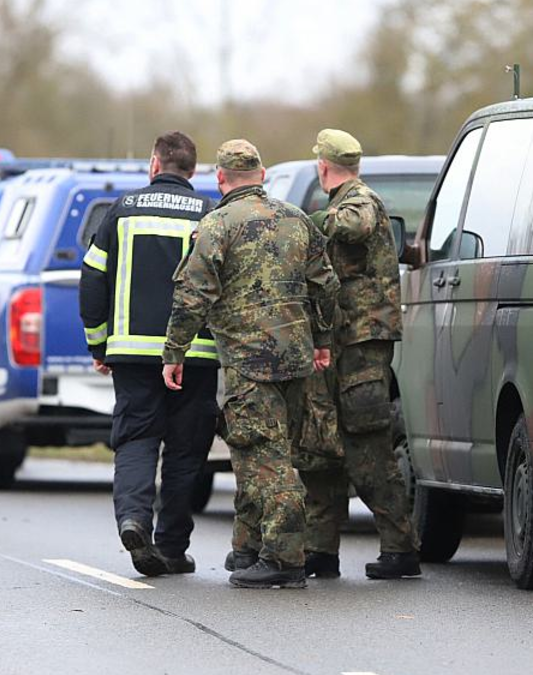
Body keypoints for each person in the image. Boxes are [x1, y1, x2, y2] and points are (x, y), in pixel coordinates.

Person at [162, 139, 339, 589]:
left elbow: (192, 295)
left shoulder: (217, 225)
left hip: (248, 360)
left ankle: (284, 557)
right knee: (258, 450)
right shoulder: (296, 219)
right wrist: (322, 341)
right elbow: (326, 286)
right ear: (261, 175)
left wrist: (175, 352)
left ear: (220, 178)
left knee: (263, 456)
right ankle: (248, 545)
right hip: (296, 358)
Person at [79, 131, 218, 577]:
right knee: (186, 451)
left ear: (154, 165)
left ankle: (134, 519)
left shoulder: (122, 211)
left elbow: (92, 279)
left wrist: (98, 343)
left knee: (136, 439)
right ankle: (172, 547)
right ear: (193, 170)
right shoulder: (208, 214)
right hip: (196, 357)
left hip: (131, 355)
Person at [298, 129, 421, 580]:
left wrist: (311, 221)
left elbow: (357, 224)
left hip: (360, 347)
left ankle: (400, 548)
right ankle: (320, 549)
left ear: (323, 166)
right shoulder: (342, 200)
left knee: (367, 444)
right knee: (322, 445)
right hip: (334, 343)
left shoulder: (360, 200)